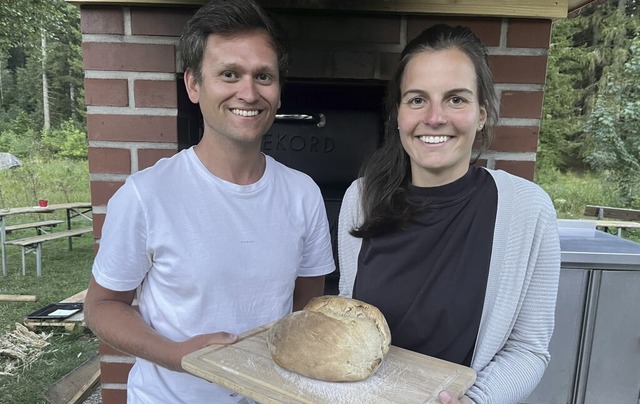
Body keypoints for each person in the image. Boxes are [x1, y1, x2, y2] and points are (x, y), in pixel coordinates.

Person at [83, 1, 335, 402]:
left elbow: (307, 302)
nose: (249, 93)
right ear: (194, 85)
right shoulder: (146, 195)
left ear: (279, 90)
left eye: (264, 76)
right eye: (229, 74)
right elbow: (101, 305)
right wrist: (176, 355)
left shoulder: (302, 193)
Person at [337, 24, 561, 404]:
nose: (435, 117)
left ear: (481, 114)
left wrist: (475, 401)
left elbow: (528, 348)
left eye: (456, 99)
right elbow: (350, 324)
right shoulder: (361, 198)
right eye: (417, 99)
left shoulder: (527, 210)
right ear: (398, 115)